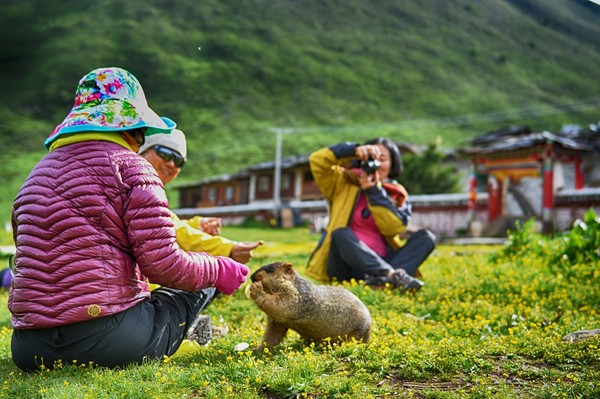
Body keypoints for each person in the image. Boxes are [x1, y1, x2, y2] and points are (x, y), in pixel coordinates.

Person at [8, 67, 249, 372]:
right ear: (132, 127)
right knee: (199, 282)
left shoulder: (34, 177)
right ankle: (193, 328)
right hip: (108, 340)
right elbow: (164, 265)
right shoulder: (132, 168)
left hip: (30, 348)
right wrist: (219, 267)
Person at [305, 138, 436, 291]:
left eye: (383, 159)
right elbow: (317, 160)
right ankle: (390, 276)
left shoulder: (396, 193)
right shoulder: (342, 182)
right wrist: (353, 150)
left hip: (384, 258)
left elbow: (394, 228)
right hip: (346, 265)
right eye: (372, 157)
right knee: (340, 233)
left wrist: (373, 191)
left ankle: (382, 279)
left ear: (392, 164)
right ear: (360, 160)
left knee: (426, 238)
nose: (377, 163)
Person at [138, 128, 263, 264]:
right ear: (143, 151)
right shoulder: (140, 187)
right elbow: (171, 230)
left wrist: (196, 225)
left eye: (179, 161)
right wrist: (228, 248)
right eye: (165, 154)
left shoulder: (150, 189)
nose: (171, 164)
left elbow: (166, 224)